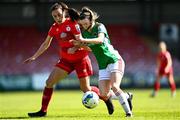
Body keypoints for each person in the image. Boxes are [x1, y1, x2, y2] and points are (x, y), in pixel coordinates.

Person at [24, 2, 112, 117]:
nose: (57, 18)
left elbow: (82, 42)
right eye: (54, 16)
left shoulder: (73, 23)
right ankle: (43, 111)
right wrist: (34, 56)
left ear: (64, 12)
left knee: (86, 89)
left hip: (81, 60)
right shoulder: (54, 28)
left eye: (59, 15)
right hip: (66, 60)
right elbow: (46, 44)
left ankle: (106, 97)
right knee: (49, 82)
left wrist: (75, 47)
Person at [70, 7, 133, 117]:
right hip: (103, 65)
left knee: (115, 87)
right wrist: (77, 46)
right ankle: (127, 96)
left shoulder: (100, 26)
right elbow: (91, 48)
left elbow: (99, 40)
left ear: (91, 20)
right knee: (104, 94)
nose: (84, 26)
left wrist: (83, 41)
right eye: (82, 24)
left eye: (85, 23)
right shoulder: (85, 34)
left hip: (114, 60)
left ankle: (128, 113)